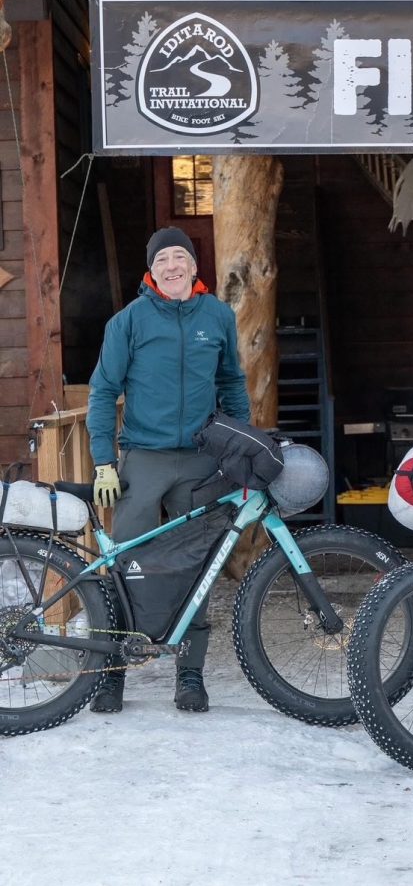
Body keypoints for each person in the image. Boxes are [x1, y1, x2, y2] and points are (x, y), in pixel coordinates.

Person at [86, 226, 250, 715]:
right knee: (123, 563)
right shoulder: (128, 322)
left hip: (201, 461)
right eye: (162, 260)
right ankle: (110, 673)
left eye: (180, 257)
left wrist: (239, 450)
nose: (172, 266)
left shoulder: (218, 316)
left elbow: (232, 384)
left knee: (198, 566)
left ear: (195, 267)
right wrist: (103, 462)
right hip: (143, 459)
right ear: (151, 271)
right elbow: (103, 391)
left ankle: (190, 674)